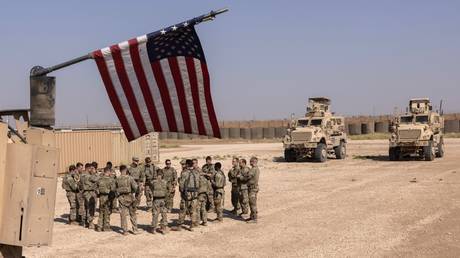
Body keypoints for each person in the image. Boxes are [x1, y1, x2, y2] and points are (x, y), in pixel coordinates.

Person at [116, 165, 140, 235]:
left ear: (120, 171)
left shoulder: (117, 179)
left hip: (121, 198)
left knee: (123, 215)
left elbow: (114, 189)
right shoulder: (130, 178)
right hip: (130, 197)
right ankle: (135, 230)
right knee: (132, 214)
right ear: (126, 170)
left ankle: (125, 230)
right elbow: (135, 188)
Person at [177, 159, 200, 231]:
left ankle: (180, 225)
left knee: (183, 209)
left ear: (187, 164)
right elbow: (199, 183)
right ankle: (192, 225)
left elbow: (181, 185)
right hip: (195, 194)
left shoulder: (184, 173)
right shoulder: (197, 173)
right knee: (193, 210)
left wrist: (182, 192)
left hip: (187, 194)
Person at [79, 163, 99, 229]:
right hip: (90, 193)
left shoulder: (82, 175)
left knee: (85, 208)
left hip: (84, 193)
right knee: (91, 208)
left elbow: (79, 184)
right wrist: (95, 172)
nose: (92, 169)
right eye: (91, 168)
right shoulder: (89, 176)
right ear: (88, 168)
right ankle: (90, 223)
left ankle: (84, 222)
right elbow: (97, 179)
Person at [97, 167, 116, 231]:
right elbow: (113, 190)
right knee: (107, 212)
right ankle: (106, 227)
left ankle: (99, 226)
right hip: (108, 197)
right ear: (108, 172)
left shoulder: (99, 179)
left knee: (101, 212)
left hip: (101, 197)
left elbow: (96, 189)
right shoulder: (111, 180)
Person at [246, 157, 260, 223]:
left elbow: (248, 177)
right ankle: (252, 216)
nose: (249, 162)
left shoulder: (253, 169)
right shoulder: (256, 169)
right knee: (252, 203)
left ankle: (254, 219)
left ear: (253, 162)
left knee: (252, 203)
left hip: (252, 188)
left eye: (250, 161)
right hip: (254, 188)